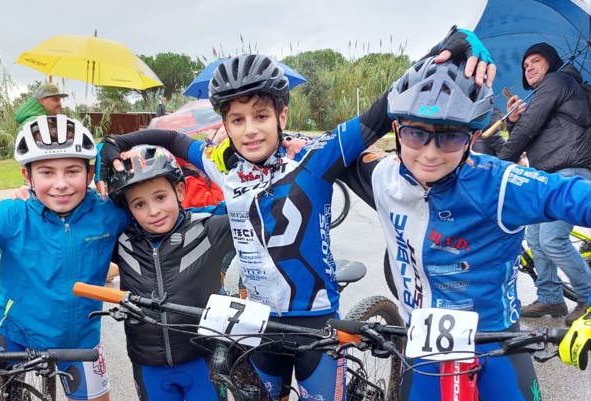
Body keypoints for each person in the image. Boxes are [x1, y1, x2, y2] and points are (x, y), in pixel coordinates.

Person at [97, 28, 495, 401]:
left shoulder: (314, 159)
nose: (250, 130)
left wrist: (445, 49)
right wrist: (114, 144)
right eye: (237, 120)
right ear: (226, 125)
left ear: (282, 117)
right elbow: (170, 138)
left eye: (261, 116)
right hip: (257, 326)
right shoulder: (220, 164)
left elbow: (381, 111)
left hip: (315, 327)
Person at [338, 56, 591, 401]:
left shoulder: (499, 184)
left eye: (450, 137)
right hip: (421, 345)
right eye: (416, 133)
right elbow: (323, 154)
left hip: (496, 342)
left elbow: (575, 196)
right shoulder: (383, 176)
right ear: (396, 130)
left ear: (472, 138)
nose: (430, 154)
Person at [0, 115, 130, 401]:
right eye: (46, 172)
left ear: (90, 174)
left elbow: (165, 216)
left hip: (79, 343)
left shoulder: (110, 212)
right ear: (27, 176)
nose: (61, 184)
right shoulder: (11, 213)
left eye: (72, 171)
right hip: (11, 333)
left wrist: (116, 148)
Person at [105, 144, 234, 401]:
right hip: (148, 364)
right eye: (139, 204)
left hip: (203, 359)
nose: (153, 211)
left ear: (180, 191)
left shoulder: (208, 229)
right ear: (127, 209)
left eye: (160, 197)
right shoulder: (121, 241)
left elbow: (258, 210)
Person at [497, 42, 591, 325]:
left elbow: (529, 128)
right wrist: (513, 121)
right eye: (525, 65)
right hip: (547, 175)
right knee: (536, 239)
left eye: (536, 61)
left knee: (552, 240)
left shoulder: (558, 81)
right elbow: (532, 132)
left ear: (550, 62)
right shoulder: (549, 91)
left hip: (567, 171)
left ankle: (589, 298)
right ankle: (550, 297)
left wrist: (498, 168)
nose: (529, 68)